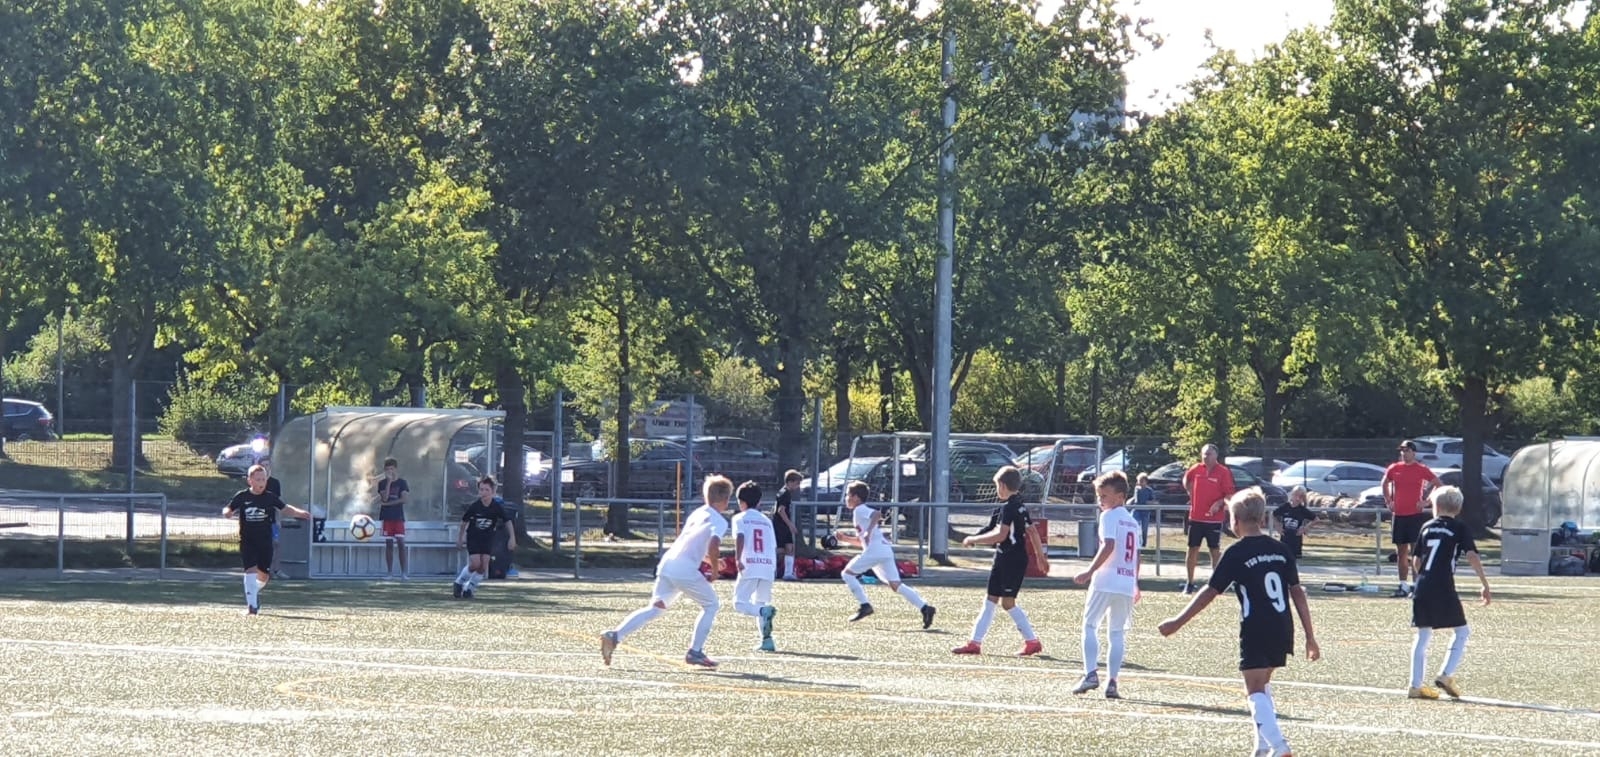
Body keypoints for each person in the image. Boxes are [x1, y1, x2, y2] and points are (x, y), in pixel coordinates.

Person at [1159, 488, 1320, 757]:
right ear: (1262, 518)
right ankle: (1262, 747)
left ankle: (1279, 746)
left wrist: (1178, 621)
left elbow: (1210, 592)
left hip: (1256, 627)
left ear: (1234, 521)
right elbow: (1297, 593)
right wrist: (1310, 636)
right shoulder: (1281, 550)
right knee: (1262, 685)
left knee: (1254, 690)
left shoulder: (1236, 552)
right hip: (1283, 626)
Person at [600, 475, 734, 668]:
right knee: (711, 605)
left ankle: (614, 635)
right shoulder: (720, 521)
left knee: (655, 609)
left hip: (668, 564)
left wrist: (710, 560)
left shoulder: (697, 513)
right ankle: (695, 651)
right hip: (684, 569)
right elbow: (713, 544)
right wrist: (714, 570)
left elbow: (691, 544)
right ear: (726, 499)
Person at [1406, 485, 1491, 700]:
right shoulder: (1459, 528)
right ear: (1459, 508)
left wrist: (1424, 578)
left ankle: (1415, 685)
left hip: (1422, 584)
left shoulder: (1426, 527)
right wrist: (1484, 583)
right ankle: (1446, 675)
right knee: (1462, 631)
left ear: (1435, 506)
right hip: (1443, 585)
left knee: (1423, 634)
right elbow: (1472, 555)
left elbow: (1416, 561)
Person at [951, 465, 1044, 657]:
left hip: (1012, 560)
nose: (996, 490)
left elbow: (1001, 535)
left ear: (1002, 485)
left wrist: (974, 539)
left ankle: (1032, 641)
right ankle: (974, 643)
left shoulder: (1010, 507)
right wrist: (1040, 557)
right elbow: (1033, 532)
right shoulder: (1019, 505)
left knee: (1008, 603)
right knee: (990, 599)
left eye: (996, 486)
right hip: (1004, 557)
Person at [1070, 470, 1142, 698]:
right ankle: (1112, 682)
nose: (1100, 500)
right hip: (1125, 582)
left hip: (1106, 579)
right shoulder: (1133, 522)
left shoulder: (1108, 517)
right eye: (1099, 496)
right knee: (1117, 633)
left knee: (1090, 625)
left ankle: (1091, 673)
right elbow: (1137, 555)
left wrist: (1090, 571)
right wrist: (1135, 582)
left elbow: (1108, 545)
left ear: (1120, 497)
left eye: (1104, 496)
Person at [839, 480, 936, 628]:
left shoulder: (859, 509)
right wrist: (845, 538)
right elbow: (862, 541)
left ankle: (865, 605)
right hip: (883, 550)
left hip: (876, 551)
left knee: (847, 574)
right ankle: (925, 608)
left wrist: (868, 531)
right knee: (896, 584)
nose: (846, 498)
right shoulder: (859, 512)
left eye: (848, 495)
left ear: (856, 497)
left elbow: (877, 514)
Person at [222, 464, 311, 615]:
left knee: (263, 576)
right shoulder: (242, 496)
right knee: (250, 569)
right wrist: (227, 512)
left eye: (263, 479)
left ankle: (254, 591)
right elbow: (229, 508)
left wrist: (300, 513)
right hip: (248, 541)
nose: (261, 482)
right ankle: (252, 606)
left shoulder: (270, 497)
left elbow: (285, 508)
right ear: (250, 480)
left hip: (265, 541)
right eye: (258, 479)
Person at [1382, 441, 1443, 598]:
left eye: (1407, 451)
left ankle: (1417, 586)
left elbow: (1438, 484)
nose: (1404, 453)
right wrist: (1389, 501)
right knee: (1401, 553)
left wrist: (1426, 502)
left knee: (1417, 552)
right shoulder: (1394, 468)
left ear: (1414, 453)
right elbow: (1385, 483)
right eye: (1402, 451)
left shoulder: (1421, 469)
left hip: (1415, 516)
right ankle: (1403, 586)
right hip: (1399, 516)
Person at [731, 480, 780, 651]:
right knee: (760, 602)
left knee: (739, 603)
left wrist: (738, 559)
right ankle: (767, 640)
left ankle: (763, 613)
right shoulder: (766, 520)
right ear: (759, 502)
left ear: (741, 502)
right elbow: (773, 545)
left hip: (750, 564)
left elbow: (740, 537)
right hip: (768, 565)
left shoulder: (739, 518)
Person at [1181, 444, 1236, 594]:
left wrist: (1218, 503)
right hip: (1196, 517)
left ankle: (1216, 584)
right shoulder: (1196, 469)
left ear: (1216, 455)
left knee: (1214, 550)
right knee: (1192, 548)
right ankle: (1189, 583)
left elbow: (1229, 495)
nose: (1206, 457)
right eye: (1204, 454)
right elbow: (1186, 480)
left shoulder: (1223, 472)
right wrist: (1190, 491)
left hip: (1213, 520)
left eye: (1209, 454)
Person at [453, 477, 515, 599]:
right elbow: (464, 522)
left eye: (487, 490)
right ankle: (459, 582)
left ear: (493, 491)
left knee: (483, 565)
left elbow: (507, 521)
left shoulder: (496, 507)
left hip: (487, 538)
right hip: (474, 537)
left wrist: (512, 538)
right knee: (475, 564)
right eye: (481, 490)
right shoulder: (475, 506)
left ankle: (470, 588)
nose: (484, 493)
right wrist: (460, 538)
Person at [375, 458, 411, 580]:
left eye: (391, 469)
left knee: (401, 542)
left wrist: (387, 504)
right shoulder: (382, 483)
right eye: (387, 469)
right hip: (387, 517)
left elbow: (404, 499)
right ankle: (389, 573)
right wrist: (389, 482)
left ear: (395, 469)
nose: (389, 471)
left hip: (398, 517)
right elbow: (384, 498)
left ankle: (404, 573)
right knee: (389, 544)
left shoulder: (402, 483)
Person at [260, 457, 288, 579]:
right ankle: (264, 570)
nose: (265, 467)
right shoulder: (256, 483)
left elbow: (277, 504)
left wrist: (278, 520)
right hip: (259, 520)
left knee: (276, 544)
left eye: (267, 465)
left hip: (271, 519)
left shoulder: (275, 483)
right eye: (263, 465)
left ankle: (276, 570)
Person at [1272, 486, 1317, 559]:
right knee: (1283, 559)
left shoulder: (1302, 510)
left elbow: (1316, 519)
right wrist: (1277, 526)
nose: (1297, 498)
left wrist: (1305, 528)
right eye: (1296, 495)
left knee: (1294, 560)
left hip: (1296, 540)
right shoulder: (1285, 507)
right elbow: (1273, 514)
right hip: (1284, 539)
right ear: (1292, 494)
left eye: (1300, 496)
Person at [774, 469, 802, 581]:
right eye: (797, 483)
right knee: (782, 549)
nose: (798, 486)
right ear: (790, 482)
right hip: (781, 524)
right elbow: (781, 510)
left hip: (780, 524)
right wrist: (790, 524)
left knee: (788, 547)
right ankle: (780, 572)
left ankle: (787, 573)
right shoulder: (785, 493)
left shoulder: (782, 492)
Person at [1131, 471, 1155, 547]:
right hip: (1137, 510)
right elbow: (1135, 499)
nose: (1140, 483)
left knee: (1144, 528)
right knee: (1133, 524)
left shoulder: (1149, 490)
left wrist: (1149, 503)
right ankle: (1135, 542)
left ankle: (1144, 544)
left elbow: (1153, 501)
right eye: (1139, 481)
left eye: (1142, 481)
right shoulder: (1137, 489)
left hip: (1145, 511)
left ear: (1146, 481)